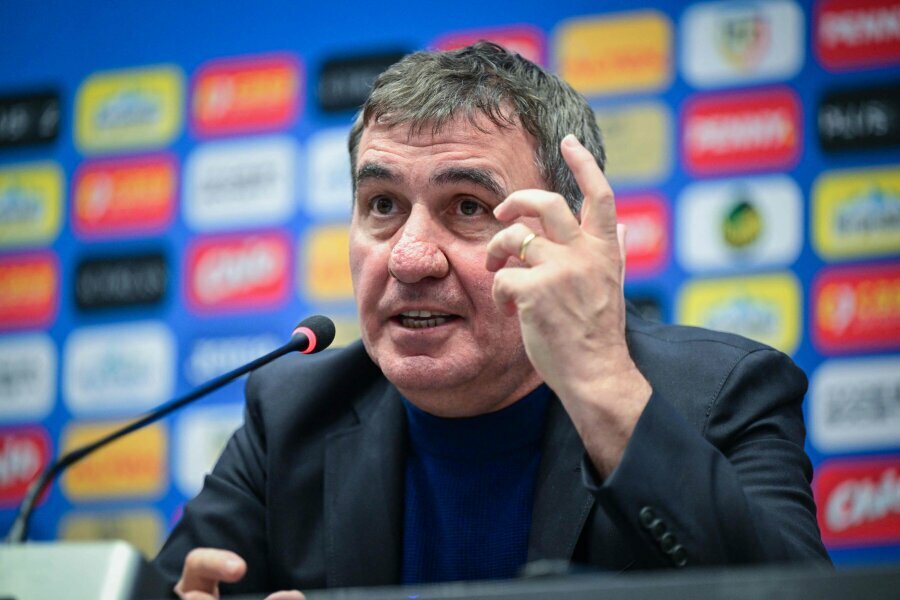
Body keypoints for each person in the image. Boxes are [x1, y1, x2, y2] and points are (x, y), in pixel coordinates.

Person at [153, 42, 830, 598]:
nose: (410, 258)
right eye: (383, 205)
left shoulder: (721, 395)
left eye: (469, 207)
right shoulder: (292, 412)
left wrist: (603, 387)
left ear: (569, 236)